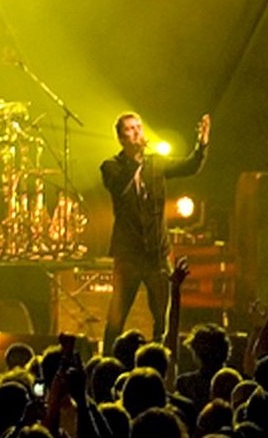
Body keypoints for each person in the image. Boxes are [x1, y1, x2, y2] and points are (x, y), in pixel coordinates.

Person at [100, 112, 210, 352]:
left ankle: (162, 363)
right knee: (116, 319)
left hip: (157, 255)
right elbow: (119, 187)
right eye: (130, 129)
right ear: (121, 138)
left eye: (139, 126)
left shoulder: (156, 163)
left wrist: (201, 144)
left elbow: (189, 166)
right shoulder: (111, 166)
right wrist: (137, 161)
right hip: (128, 256)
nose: (137, 131)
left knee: (164, 318)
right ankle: (105, 363)